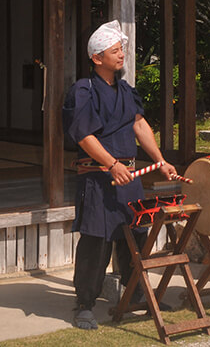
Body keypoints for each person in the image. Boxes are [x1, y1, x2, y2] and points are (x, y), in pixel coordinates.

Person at [63, 20, 179, 330]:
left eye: (122, 49)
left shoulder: (126, 90)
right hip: (99, 177)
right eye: (115, 50)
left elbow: (140, 125)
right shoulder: (83, 91)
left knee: (136, 235)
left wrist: (161, 160)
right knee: (96, 240)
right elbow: (84, 136)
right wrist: (112, 164)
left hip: (130, 175)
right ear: (97, 57)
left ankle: (136, 294)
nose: (121, 54)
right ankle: (85, 303)